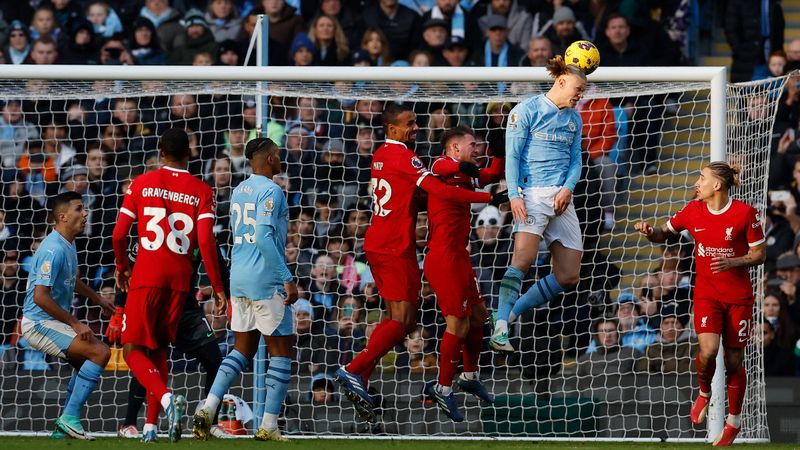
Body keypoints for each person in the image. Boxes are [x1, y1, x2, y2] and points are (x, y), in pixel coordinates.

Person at [334, 102, 506, 422]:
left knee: (409, 320)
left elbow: (429, 189)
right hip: (399, 247)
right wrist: (488, 196)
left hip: (392, 244)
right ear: (392, 129)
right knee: (405, 321)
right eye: (410, 123)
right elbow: (438, 181)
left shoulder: (384, 156)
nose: (416, 127)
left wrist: (493, 154)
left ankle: (364, 378)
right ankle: (354, 370)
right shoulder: (413, 158)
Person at [634, 162, 766, 446]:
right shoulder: (692, 210)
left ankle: (734, 421)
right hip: (706, 294)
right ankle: (704, 393)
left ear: (717, 185)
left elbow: (759, 254)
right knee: (707, 351)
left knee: (733, 361)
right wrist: (649, 231)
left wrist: (733, 261)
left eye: (702, 178)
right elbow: (663, 232)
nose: (697, 182)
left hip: (738, 298)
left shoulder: (745, 214)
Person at [111, 128, 226, 443]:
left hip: (146, 277)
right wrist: (217, 287)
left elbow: (119, 234)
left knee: (133, 348)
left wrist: (122, 267)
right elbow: (205, 239)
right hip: (179, 283)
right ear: (189, 153)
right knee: (159, 350)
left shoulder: (141, 183)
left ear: (160, 153)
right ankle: (150, 427)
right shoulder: (202, 190)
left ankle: (165, 398)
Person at [192, 137, 298, 442]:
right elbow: (264, 237)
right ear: (266, 159)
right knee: (280, 351)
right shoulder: (272, 190)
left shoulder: (239, 190)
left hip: (238, 277)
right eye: (277, 156)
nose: (280, 160)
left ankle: (208, 407)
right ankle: (268, 425)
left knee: (242, 348)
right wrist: (286, 277)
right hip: (265, 279)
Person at [490, 55, 586, 353]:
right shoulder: (526, 110)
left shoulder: (574, 118)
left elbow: (576, 160)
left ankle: (509, 313)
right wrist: (514, 195)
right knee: (523, 260)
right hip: (531, 195)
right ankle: (501, 329)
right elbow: (513, 157)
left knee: (569, 275)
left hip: (560, 199)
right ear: (561, 82)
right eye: (579, 89)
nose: (581, 96)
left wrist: (568, 189)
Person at [107, 241, 227, 440]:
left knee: (214, 360)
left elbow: (220, 266)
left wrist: (225, 295)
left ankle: (209, 422)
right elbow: (127, 267)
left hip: (186, 308)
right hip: (157, 302)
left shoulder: (202, 234)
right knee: (146, 355)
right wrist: (119, 308)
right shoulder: (158, 229)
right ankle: (131, 423)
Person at [423, 126, 503, 421]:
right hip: (443, 259)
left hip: (460, 258)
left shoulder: (466, 174)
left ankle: (469, 376)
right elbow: (442, 165)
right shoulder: (440, 168)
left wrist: (499, 153)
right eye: (472, 144)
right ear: (454, 147)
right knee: (457, 324)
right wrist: (481, 188)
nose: (476, 148)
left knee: (479, 316)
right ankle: (442, 389)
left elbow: (492, 176)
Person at [20, 191, 115, 439]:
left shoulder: (67, 243)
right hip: (38, 323)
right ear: (62, 216)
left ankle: (62, 432)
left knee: (87, 361)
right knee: (100, 352)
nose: (85, 214)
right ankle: (70, 418)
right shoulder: (53, 249)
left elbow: (73, 281)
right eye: (78, 209)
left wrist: (98, 299)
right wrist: (75, 322)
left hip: (49, 321)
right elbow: (41, 296)